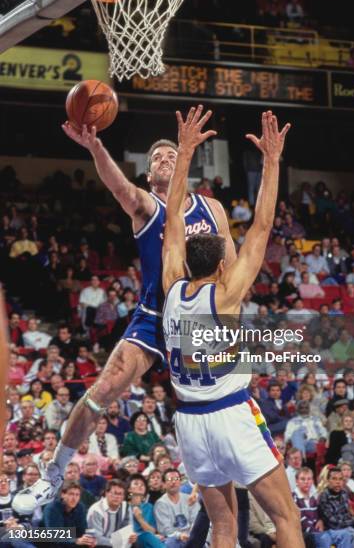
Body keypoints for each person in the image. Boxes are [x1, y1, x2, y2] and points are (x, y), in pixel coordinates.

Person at [16, 105, 235, 510]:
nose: (165, 158)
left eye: (172, 154)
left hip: (200, 321)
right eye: (156, 159)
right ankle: (53, 472)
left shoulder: (212, 209)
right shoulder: (147, 208)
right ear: (150, 178)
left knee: (218, 413)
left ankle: (219, 504)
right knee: (103, 390)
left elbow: (233, 270)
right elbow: (119, 187)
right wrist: (96, 147)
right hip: (155, 317)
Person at [161, 108, 303, 548]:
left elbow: (172, 222)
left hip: (188, 422)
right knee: (287, 518)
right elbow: (261, 226)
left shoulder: (170, 290)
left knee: (223, 526)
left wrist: (183, 154)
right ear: (223, 265)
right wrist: (273, 161)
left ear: (186, 262)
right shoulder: (225, 296)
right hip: (231, 414)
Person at [294, 467, 351, 548]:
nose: (306, 482)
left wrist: (321, 520)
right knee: (324, 538)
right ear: (296, 481)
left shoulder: (313, 497)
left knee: (345, 534)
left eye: (309, 479)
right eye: (303, 479)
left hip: (321, 531)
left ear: (312, 481)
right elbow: (300, 519)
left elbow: (320, 514)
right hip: (305, 533)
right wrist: (316, 530)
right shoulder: (293, 497)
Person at [42, 480, 96, 546]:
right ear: (63, 495)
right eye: (71, 494)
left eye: (77, 495)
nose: (74, 498)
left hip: (70, 542)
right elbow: (55, 536)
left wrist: (89, 540)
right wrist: (76, 540)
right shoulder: (52, 508)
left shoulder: (80, 507)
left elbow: (82, 530)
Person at [154, 468, 199, 547]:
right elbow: (165, 529)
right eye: (170, 479)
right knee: (171, 542)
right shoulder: (160, 504)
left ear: (180, 482)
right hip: (173, 539)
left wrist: (191, 534)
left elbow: (196, 520)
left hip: (191, 535)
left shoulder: (189, 499)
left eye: (176, 479)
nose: (173, 482)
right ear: (164, 484)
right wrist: (180, 535)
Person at [87, 479, 137, 547]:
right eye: (114, 493)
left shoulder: (125, 507)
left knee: (136, 543)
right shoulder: (96, 510)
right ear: (106, 493)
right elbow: (97, 539)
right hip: (100, 545)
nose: (117, 497)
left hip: (118, 542)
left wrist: (131, 537)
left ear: (123, 496)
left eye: (120, 494)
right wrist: (116, 542)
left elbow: (127, 530)